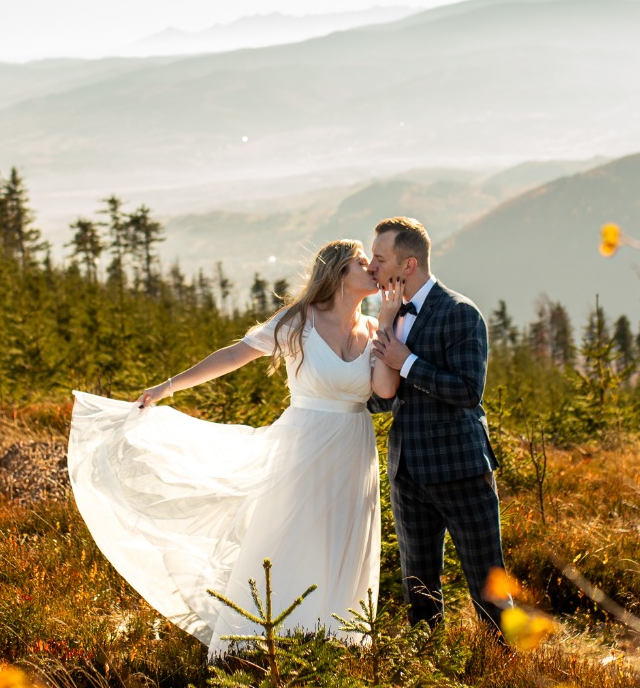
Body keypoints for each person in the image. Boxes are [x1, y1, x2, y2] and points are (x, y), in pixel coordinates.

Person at [65, 239, 395, 658]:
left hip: (353, 452)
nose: (372, 268)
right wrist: (168, 387)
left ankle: (337, 646)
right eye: (361, 262)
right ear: (337, 273)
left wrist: (386, 320)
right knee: (289, 539)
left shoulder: (374, 327)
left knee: (345, 542)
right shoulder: (301, 322)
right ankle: (263, 645)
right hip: (302, 448)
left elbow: (383, 389)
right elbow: (235, 355)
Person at [365, 216, 508, 632]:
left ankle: (508, 674)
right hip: (407, 473)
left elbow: (468, 391)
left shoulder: (461, 314)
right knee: (419, 589)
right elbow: (381, 400)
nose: (372, 266)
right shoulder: (388, 316)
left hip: (460, 469)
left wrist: (405, 362)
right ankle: (427, 676)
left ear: (408, 265)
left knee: (488, 584)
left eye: (380, 258)